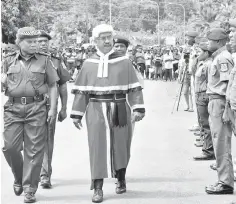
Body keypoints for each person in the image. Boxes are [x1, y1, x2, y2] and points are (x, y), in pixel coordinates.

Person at [71, 24, 145, 203]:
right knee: (97, 147)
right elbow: (82, 92)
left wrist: (138, 108)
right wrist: (77, 113)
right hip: (96, 109)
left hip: (119, 105)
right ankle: (97, 187)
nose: (106, 41)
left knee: (121, 146)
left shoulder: (125, 62)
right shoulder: (88, 64)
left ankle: (121, 178)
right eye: (102, 38)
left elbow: (134, 88)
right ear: (95, 40)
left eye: (109, 37)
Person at [1, 27, 58, 203]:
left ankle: (29, 189)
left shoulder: (45, 60)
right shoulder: (8, 60)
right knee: (10, 147)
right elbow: (3, 81)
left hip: (37, 108)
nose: (34, 45)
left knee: (33, 150)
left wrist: (53, 109)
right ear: (19, 43)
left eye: (36, 41)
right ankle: (19, 177)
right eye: (30, 42)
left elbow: (53, 85)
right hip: (13, 108)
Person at [37, 30, 71, 188]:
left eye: (46, 41)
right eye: (39, 41)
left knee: (47, 140)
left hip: (49, 105)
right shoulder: (23, 60)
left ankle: (45, 174)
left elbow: (62, 85)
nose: (43, 43)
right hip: (28, 106)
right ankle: (32, 171)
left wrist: (64, 107)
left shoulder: (56, 61)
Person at [205, 28, 234, 195]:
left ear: (218, 42)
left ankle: (225, 182)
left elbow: (228, 85)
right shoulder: (219, 57)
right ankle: (224, 179)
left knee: (221, 143)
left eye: (210, 41)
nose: (208, 44)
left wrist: (226, 109)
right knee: (219, 142)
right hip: (215, 101)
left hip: (220, 102)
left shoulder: (223, 58)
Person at [193, 40, 215, 160]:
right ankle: (207, 146)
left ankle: (208, 151)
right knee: (203, 123)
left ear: (206, 53)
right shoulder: (201, 63)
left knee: (206, 124)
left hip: (204, 95)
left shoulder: (209, 65)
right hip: (200, 94)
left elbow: (210, 82)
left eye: (199, 52)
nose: (197, 54)